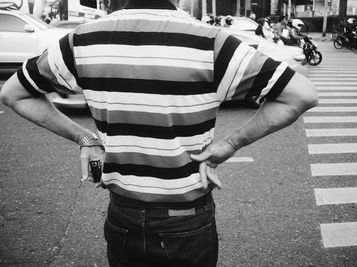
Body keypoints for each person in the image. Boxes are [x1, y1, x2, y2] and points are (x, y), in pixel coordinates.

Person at [0, 0, 318, 266]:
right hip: (187, 219)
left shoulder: (82, 40)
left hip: (122, 215)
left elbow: (13, 93)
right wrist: (230, 144)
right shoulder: (211, 42)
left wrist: (86, 139)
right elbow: (301, 94)